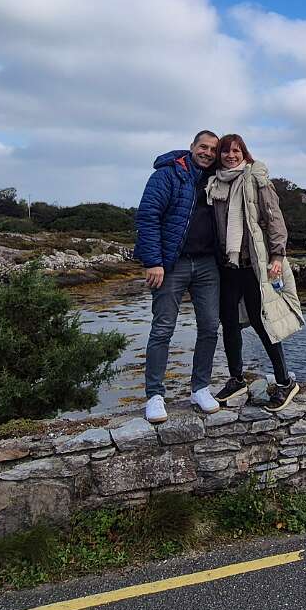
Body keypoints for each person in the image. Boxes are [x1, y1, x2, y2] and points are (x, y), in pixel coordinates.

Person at [205, 133, 304, 411]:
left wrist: (277, 255)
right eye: (225, 151)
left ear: (244, 153)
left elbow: (274, 219)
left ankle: (285, 382)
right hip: (228, 266)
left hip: (254, 265)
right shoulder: (214, 184)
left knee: (263, 323)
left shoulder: (256, 178)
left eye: (236, 151)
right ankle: (236, 379)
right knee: (229, 323)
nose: (231, 156)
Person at [134, 130, 223, 423]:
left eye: (213, 149)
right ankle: (154, 395)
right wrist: (153, 262)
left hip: (208, 264)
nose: (207, 152)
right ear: (192, 147)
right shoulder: (167, 175)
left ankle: (200, 388)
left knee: (210, 327)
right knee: (162, 329)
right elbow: (148, 216)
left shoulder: (217, 178)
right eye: (203, 146)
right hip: (172, 265)